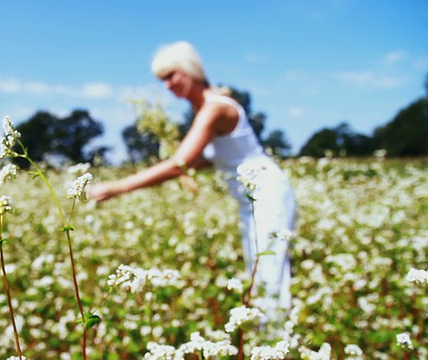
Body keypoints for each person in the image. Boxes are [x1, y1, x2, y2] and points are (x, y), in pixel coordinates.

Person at [89, 41, 296, 311]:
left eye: (171, 76)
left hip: (267, 195)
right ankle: (266, 338)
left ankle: (275, 344)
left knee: (270, 276)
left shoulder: (215, 108)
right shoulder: (205, 110)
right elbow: (208, 158)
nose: (167, 85)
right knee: (258, 273)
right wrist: (188, 169)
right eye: (162, 80)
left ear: (190, 71)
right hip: (252, 200)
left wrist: (117, 187)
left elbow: (180, 163)